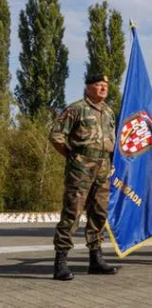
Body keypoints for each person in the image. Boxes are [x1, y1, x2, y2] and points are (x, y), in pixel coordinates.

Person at [49, 73, 120, 281]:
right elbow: (56, 136)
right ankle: (60, 261)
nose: (103, 88)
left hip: (104, 167)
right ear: (88, 87)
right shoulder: (76, 108)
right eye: (99, 85)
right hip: (81, 168)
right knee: (72, 213)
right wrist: (73, 158)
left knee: (99, 213)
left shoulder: (108, 112)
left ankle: (95, 259)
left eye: (105, 85)